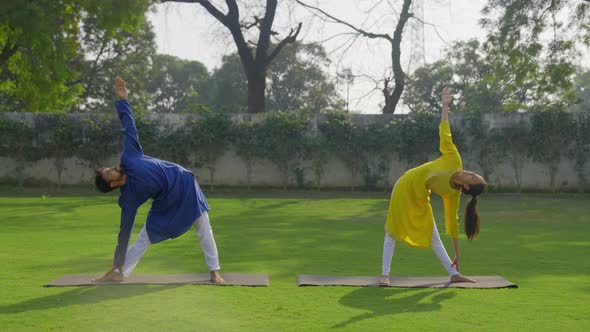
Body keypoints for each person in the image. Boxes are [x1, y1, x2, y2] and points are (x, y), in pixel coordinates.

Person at [93, 77, 224, 284]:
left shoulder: (129, 157)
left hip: (184, 184)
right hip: (165, 200)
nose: (111, 168)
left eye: (109, 168)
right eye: (108, 172)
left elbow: (128, 126)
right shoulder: (128, 199)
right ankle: (119, 272)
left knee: (203, 226)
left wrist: (123, 100)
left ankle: (214, 272)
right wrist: (115, 263)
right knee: (144, 237)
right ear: (111, 184)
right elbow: (124, 232)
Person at [379, 87, 486, 286]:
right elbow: (445, 131)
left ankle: (453, 273)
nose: (470, 173)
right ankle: (385, 275)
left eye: (472, 178)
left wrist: (457, 254)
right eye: (473, 173)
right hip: (405, 185)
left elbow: (452, 224)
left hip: (420, 196)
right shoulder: (454, 158)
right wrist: (445, 105)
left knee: (433, 236)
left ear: (467, 188)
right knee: (392, 231)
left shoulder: (452, 195)